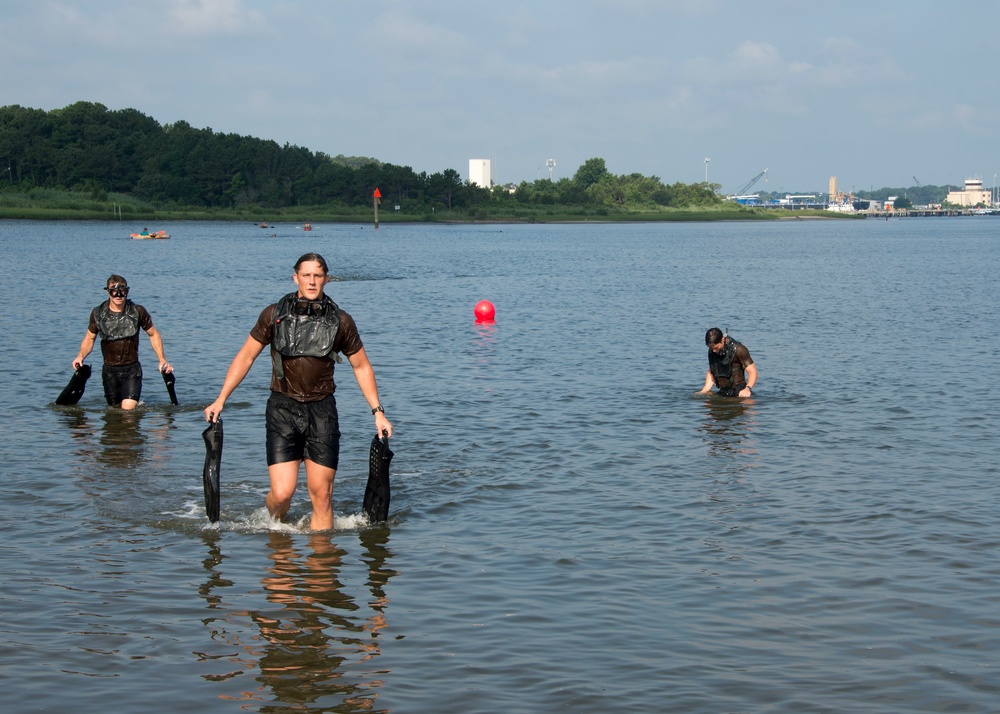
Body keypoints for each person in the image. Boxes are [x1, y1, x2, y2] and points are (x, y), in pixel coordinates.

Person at [203, 253, 393, 531]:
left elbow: (361, 366)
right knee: (282, 495)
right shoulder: (273, 315)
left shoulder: (342, 321)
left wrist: (378, 412)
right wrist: (221, 399)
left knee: (322, 497)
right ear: (296, 278)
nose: (312, 281)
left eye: (318, 275)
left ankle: (322, 568)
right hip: (283, 409)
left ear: (327, 279)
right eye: (306, 275)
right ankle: (274, 525)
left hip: (322, 412)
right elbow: (245, 356)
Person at [73, 274, 172, 410]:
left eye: (122, 291)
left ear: (127, 291)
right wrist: (80, 356)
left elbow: (153, 334)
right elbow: (90, 338)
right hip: (109, 371)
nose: (118, 295)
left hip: (131, 369)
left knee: (127, 411)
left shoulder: (138, 311)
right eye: (114, 291)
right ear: (108, 292)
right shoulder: (97, 313)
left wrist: (162, 359)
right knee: (114, 411)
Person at [697, 327, 757, 398]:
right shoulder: (712, 350)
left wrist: (747, 389)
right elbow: (712, 371)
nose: (714, 351)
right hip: (723, 391)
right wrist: (704, 390)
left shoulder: (739, 350)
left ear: (722, 340)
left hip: (739, 392)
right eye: (711, 348)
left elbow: (752, 372)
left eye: (716, 348)